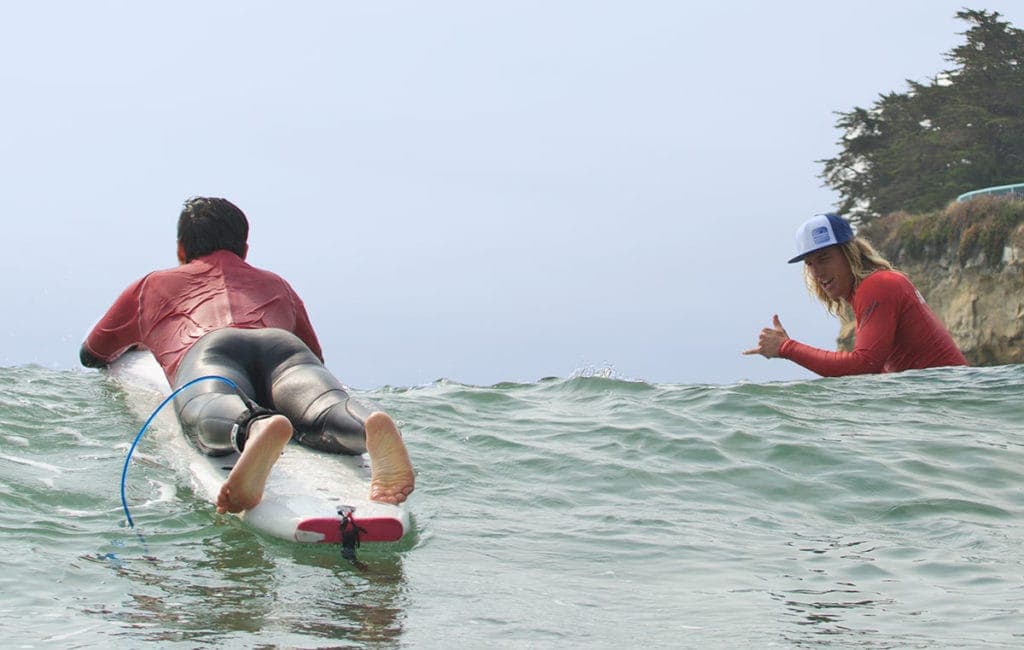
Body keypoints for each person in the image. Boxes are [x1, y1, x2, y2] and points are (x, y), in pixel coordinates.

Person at [80, 197, 414, 513]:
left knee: (207, 406)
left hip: (211, 350)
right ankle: (365, 424)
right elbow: (315, 356)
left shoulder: (151, 284)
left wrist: (142, 339)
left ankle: (254, 428)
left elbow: (93, 352)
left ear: (181, 249)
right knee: (321, 405)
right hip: (284, 348)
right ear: (245, 249)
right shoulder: (276, 284)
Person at [744, 212, 968, 376]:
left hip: (951, 402)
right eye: (810, 264)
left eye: (824, 258)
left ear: (849, 254)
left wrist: (786, 347)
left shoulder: (878, 285)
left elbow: (864, 365)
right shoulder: (877, 286)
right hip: (945, 400)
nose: (817, 272)